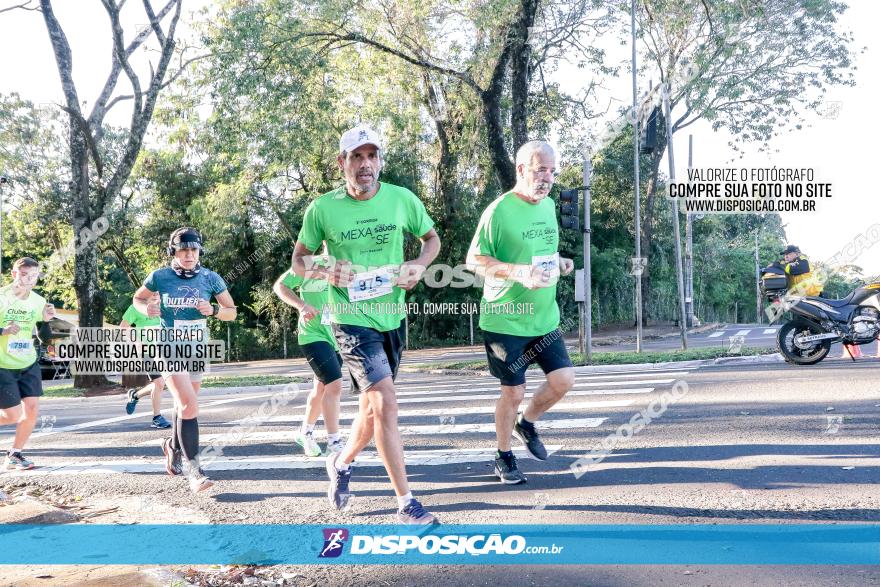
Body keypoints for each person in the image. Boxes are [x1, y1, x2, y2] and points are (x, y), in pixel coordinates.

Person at [291, 125, 441, 524]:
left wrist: (418, 266)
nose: (365, 164)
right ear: (341, 163)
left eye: (371, 156)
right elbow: (299, 261)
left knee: (372, 411)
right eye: (356, 156)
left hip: (391, 316)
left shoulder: (401, 199)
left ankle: (341, 461)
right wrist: (326, 269)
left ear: (380, 161)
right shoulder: (322, 209)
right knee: (385, 403)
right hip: (350, 320)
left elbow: (431, 240)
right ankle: (406, 503)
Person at [465, 140, 576, 485]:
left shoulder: (547, 207)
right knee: (512, 391)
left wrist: (559, 262)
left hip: (543, 317)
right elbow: (474, 260)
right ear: (521, 169)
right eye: (541, 169)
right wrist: (518, 272)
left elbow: (540, 252)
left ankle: (525, 423)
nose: (548, 178)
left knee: (563, 381)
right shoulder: (498, 211)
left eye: (552, 171)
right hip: (506, 319)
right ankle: (503, 457)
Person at [132, 227, 237, 493]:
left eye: (194, 250)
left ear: (199, 250)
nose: (189, 255)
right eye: (183, 250)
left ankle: (172, 446)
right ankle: (195, 472)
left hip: (196, 349)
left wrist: (213, 310)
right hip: (168, 348)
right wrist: (147, 308)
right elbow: (137, 298)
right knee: (189, 405)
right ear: (173, 251)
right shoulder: (160, 276)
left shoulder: (211, 278)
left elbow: (232, 312)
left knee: (184, 406)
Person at [273, 252, 345, 456]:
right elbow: (280, 286)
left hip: (337, 336)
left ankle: (305, 432)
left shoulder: (350, 263)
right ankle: (335, 442)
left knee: (321, 387)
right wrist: (302, 305)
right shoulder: (309, 264)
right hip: (313, 334)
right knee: (334, 384)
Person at [0, 258, 56, 470]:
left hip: (27, 361)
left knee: (31, 410)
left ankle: (15, 454)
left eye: (33, 276)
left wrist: (46, 320)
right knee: (12, 415)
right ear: (14, 274)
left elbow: (45, 338)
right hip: (3, 363)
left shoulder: (38, 300)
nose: (29, 280)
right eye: (25, 275)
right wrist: (2, 331)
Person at [120, 297, 171, 429]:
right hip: (147, 352)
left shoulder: (164, 307)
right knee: (159, 383)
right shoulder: (135, 308)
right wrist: (136, 342)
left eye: (157, 292)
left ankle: (135, 395)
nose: (155, 294)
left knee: (161, 383)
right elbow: (123, 327)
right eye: (152, 291)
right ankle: (156, 418)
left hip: (163, 351)